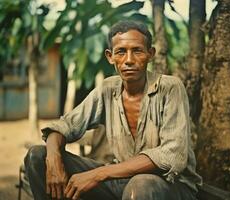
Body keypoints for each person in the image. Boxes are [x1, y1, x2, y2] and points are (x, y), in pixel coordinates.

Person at [24, 20, 202, 200]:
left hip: (171, 187)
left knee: (140, 184)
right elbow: (64, 126)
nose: (129, 60)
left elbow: (172, 156)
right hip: (122, 183)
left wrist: (98, 173)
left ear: (151, 54)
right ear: (110, 57)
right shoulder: (108, 89)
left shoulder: (170, 88)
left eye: (137, 51)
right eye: (121, 52)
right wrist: (53, 159)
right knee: (37, 156)